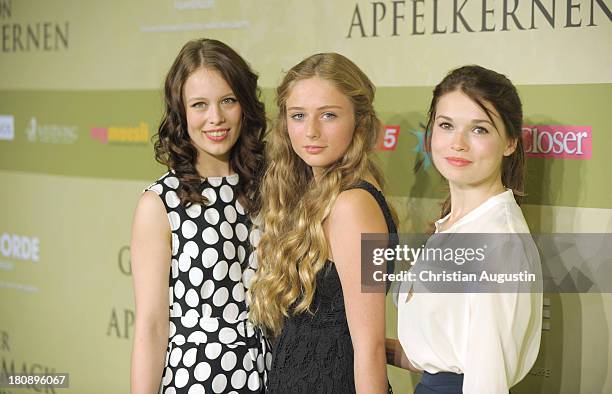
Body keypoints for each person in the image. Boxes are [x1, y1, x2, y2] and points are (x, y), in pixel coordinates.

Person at [387, 65, 543, 393]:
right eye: (446, 125)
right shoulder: (456, 224)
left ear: (510, 142)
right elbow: (442, 353)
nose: (457, 143)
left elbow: (487, 379)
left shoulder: (499, 241)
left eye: (479, 130)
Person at [248, 53, 396, 394]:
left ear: (359, 121)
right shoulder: (311, 195)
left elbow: (369, 347)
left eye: (328, 115)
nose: (311, 132)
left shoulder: (353, 206)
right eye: (298, 116)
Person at [130, 38, 270, 394]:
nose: (215, 118)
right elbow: (151, 326)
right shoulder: (160, 203)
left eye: (228, 101)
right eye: (199, 105)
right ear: (181, 113)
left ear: (245, 104)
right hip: (200, 379)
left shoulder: (273, 185)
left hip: (276, 372)